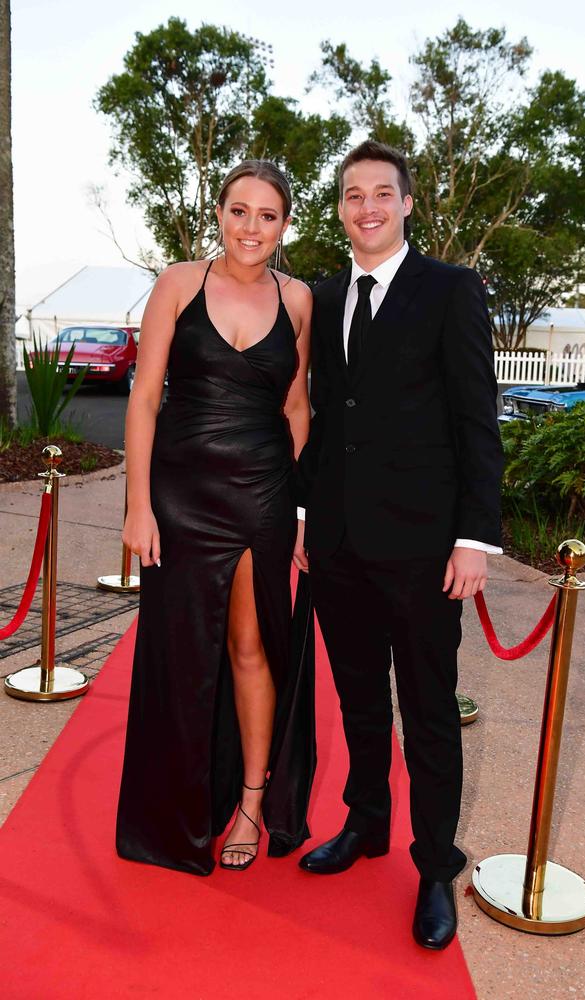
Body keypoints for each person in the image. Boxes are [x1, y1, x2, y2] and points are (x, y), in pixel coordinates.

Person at [294, 140, 504, 949]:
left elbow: (475, 421)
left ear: (408, 203)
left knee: (427, 713)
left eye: (383, 193)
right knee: (356, 701)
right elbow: (324, 422)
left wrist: (474, 539)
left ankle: (433, 867)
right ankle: (366, 824)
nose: (368, 207)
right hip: (340, 542)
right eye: (353, 195)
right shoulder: (325, 293)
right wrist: (311, 520)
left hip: (423, 548)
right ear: (341, 207)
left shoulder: (451, 290)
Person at [116, 160, 314, 876]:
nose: (250, 227)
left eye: (267, 215)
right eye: (239, 211)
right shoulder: (177, 283)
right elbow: (143, 398)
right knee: (179, 651)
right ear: (220, 212)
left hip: (260, 494)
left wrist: (295, 513)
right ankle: (181, 804)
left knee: (250, 645)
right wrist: (138, 504)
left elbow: (296, 410)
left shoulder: (299, 301)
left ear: (284, 225)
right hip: (180, 494)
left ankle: (252, 802)